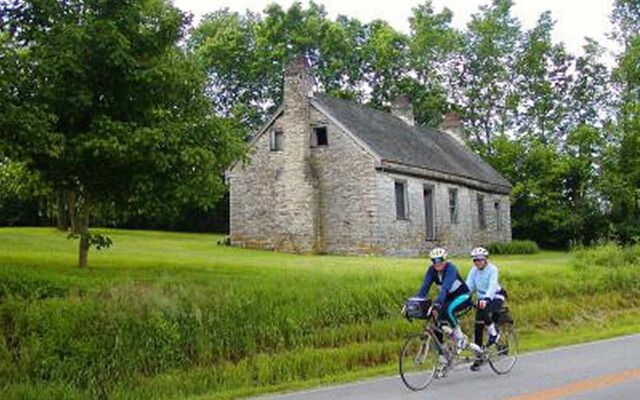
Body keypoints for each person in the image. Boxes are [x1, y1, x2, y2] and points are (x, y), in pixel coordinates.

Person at [414, 247, 472, 350]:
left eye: (440, 260)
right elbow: (424, 287)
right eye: (434, 261)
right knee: (436, 321)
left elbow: (445, 287)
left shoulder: (451, 269)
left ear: (445, 260)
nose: (437, 263)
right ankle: (441, 356)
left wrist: (438, 303)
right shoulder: (431, 270)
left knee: (448, 309)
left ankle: (459, 336)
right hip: (447, 297)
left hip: (462, 296)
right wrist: (415, 303)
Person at [466, 246, 507, 371]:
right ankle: (479, 358)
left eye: (480, 259)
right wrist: (461, 297)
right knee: (478, 326)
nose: (477, 262)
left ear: (485, 259)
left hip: (495, 296)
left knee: (484, 310)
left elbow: (493, 285)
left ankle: (494, 334)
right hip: (481, 300)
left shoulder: (493, 269)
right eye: (475, 260)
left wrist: (487, 298)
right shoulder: (473, 271)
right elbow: (468, 285)